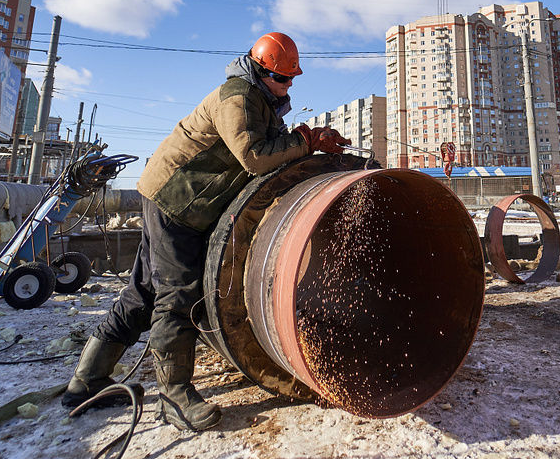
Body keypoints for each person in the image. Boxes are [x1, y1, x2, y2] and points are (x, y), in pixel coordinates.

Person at [63, 32, 347, 431]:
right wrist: (305, 140)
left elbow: (266, 143)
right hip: (176, 200)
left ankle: (87, 380)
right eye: (284, 78)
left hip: (183, 202)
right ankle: (174, 398)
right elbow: (253, 156)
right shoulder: (239, 97)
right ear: (262, 72)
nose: (289, 85)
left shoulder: (260, 100)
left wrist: (304, 137)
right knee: (178, 295)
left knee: (144, 291)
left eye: (291, 79)